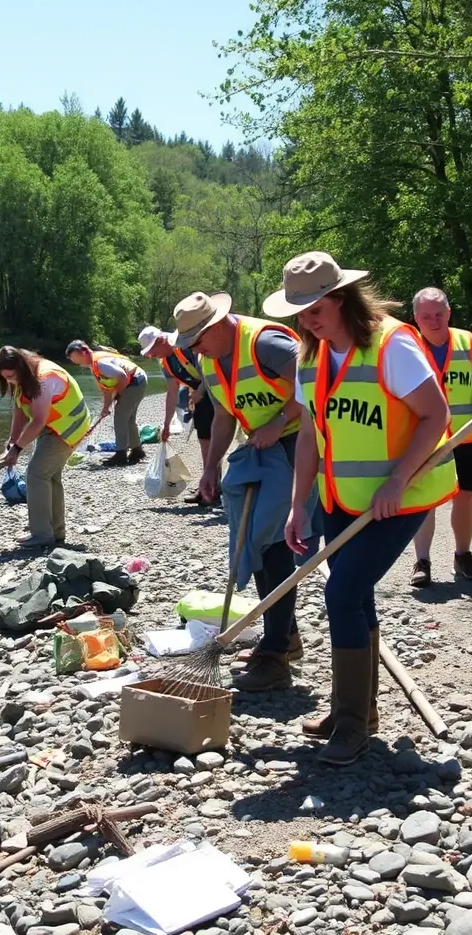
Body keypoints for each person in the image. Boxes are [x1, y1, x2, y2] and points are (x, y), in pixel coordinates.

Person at [273, 253, 457, 766]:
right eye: (300, 310)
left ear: (342, 298)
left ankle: (351, 723)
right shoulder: (310, 357)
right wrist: (297, 505)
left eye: (316, 307)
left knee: (343, 589)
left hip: (403, 495)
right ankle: (357, 712)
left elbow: (435, 413)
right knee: (357, 594)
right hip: (342, 499)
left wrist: (397, 478)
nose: (308, 318)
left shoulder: (391, 345)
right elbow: (310, 431)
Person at [173, 291, 312, 692]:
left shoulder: (268, 344)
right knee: (253, 541)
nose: (195, 349)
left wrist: (280, 420)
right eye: (190, 343)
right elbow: (222, 416)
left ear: (219, 324)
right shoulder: (208, 359)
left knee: (273, 544)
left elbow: (317, 385)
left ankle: (275, 657)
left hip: (297, 445)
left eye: (198, 339)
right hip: (257, 450)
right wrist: (211, 465)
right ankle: (284, 636)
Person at [409, 287, 472, 587]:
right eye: (426, 316)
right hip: (425, 439)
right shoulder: (407, 344)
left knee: (465, 496)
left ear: (449, 313)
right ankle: (422, 561)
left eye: (439, 314)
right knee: (426, 500)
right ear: (416, 318)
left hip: (466, 435)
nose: (433, 321)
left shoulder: (467, 342)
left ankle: (463, 555)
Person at [0, 346, 92, 548]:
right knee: (50, 475)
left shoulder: (44, 378)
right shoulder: (23, 374)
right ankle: (55, 532)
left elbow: (37, 421)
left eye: (11, 377)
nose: (10, 382)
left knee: (36, 474)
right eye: (6, 379)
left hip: (68, 427)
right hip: (52, 424)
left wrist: (17, 449)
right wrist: (11, 442)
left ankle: (41, 534)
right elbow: (20, 409)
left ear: (21, 367)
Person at [137, 324, 220, 504]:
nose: (151, 355)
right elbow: (172, 393)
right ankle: (210, 487)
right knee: (206, 442)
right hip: (201, 399)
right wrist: (166, 425)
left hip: (216, 392)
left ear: (162, 340)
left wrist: (200, 390)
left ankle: (210, 490)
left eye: (152, 350)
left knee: (209, 443)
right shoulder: (166, 362)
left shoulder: (186, 346)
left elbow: (213, 367)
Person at [65, 340, 148, 466]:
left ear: (84, 351)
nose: (74, 361)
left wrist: (120, 395)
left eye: (73, 357)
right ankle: (137, 451)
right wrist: (105, 408)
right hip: (139, 379)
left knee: (120, 418)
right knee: (129, 419)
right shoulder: (94, 366)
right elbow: (106, 390)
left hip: (135, 381)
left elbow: (122, 376)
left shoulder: (100, 363)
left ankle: (121, 455)